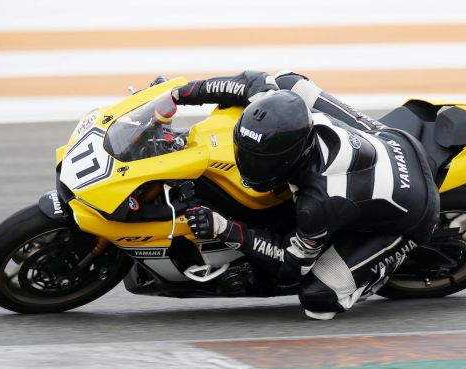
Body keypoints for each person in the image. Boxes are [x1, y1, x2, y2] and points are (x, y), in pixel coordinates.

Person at [171, 71, 439, 320]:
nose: (248, 164)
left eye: (261, 161)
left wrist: (224, 228)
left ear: (290, 159)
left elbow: (290, 264)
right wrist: (179, 93)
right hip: (390, 138)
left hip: (415, 207)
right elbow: (246, 81)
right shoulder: (275, 101)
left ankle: (378, 271)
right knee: (289, 81)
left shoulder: (317, 203)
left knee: (317, 299)